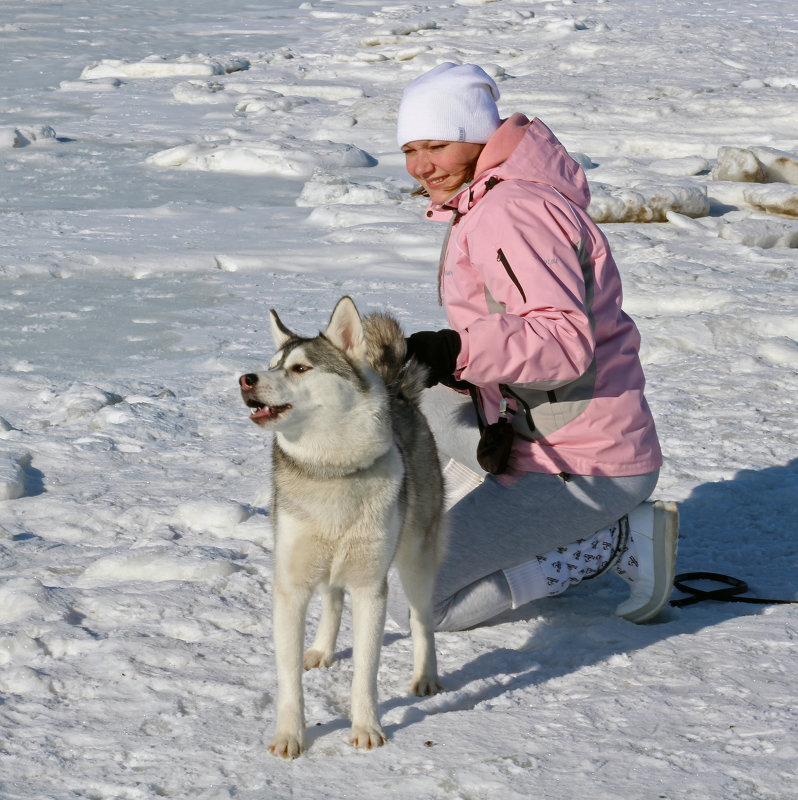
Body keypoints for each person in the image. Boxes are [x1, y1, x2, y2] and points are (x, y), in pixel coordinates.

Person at [393, 63, 678, 631]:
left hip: (585, 462)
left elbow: (561, 340)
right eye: (410, 148)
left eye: (437, 145)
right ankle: (474, 506)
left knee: (419, 603)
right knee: (396, 396)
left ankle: (610, 540)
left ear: (476, 138)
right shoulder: (492, 200)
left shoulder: (511, 211)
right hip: (538, 427)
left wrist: (455, 351)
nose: (421, 166)